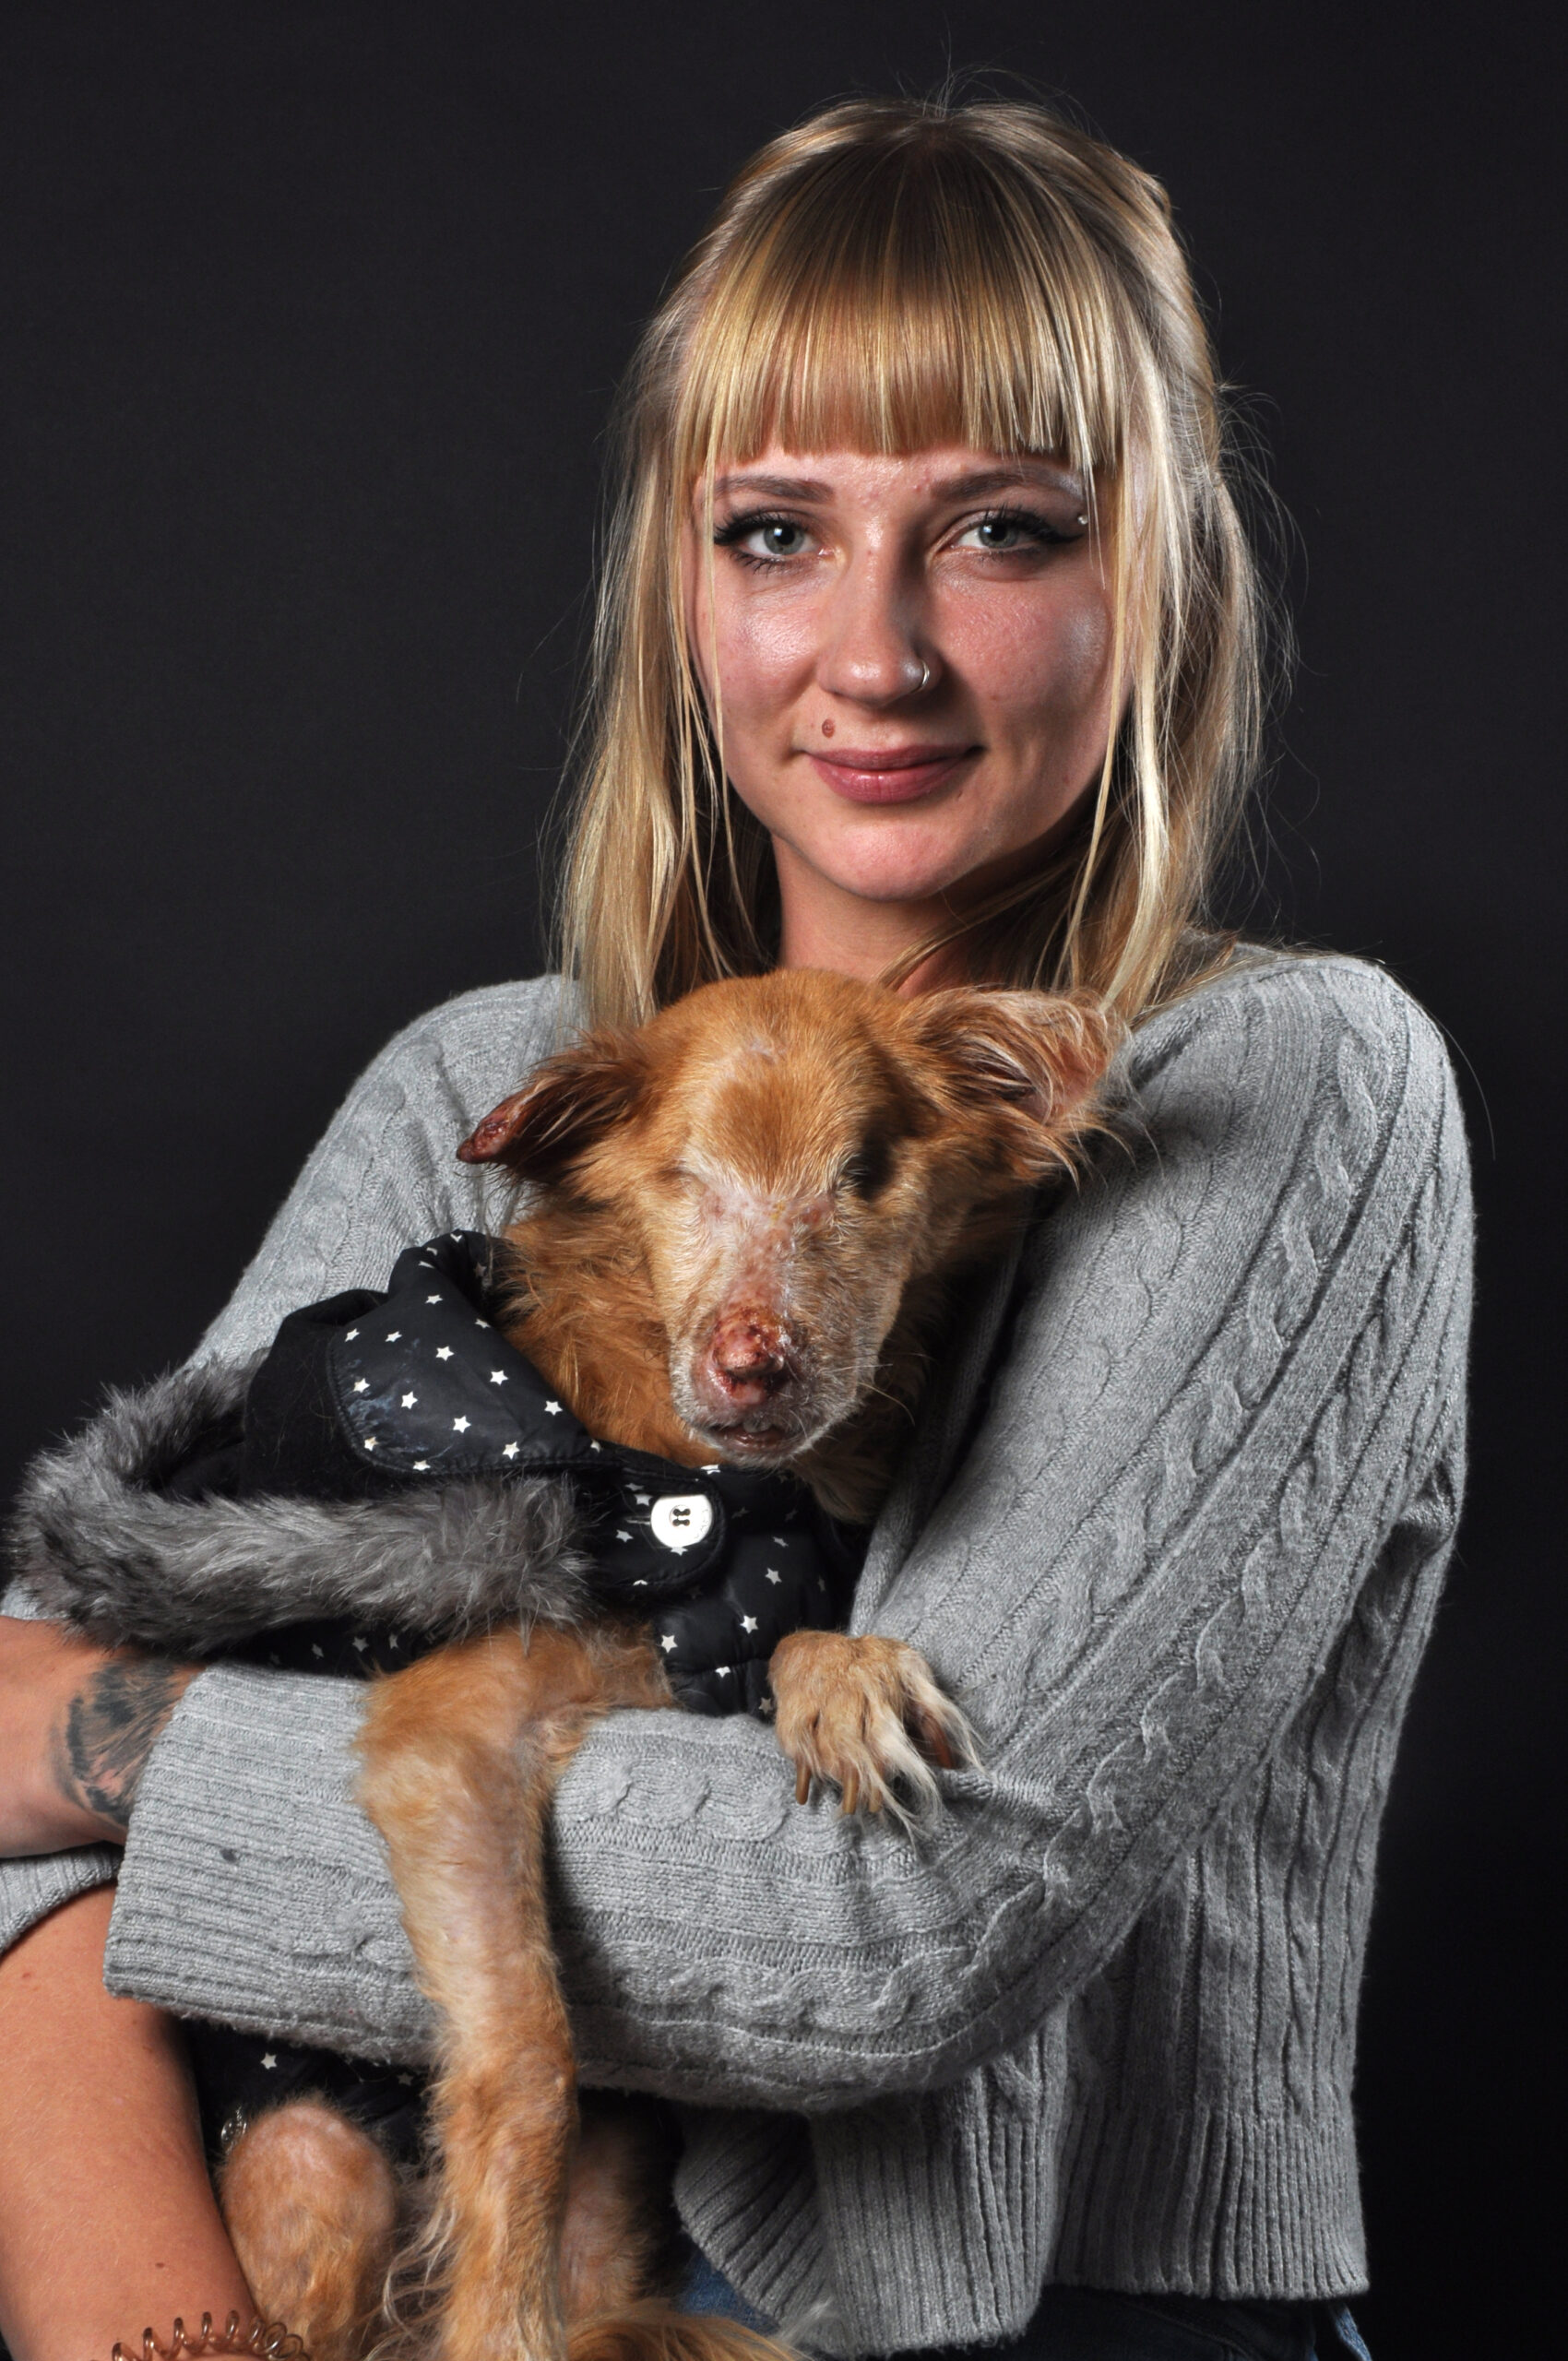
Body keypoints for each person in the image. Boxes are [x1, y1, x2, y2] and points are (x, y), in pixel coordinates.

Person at [0, 95, 1469, 2361]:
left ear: (1160, 574)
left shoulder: (1274, 1086)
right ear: (682, 588)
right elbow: (17, 1849)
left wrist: (125, 1748)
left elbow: (886, 1931)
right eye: (777, 530)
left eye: (997, 530)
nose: (873, 653)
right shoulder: (499, 1085)